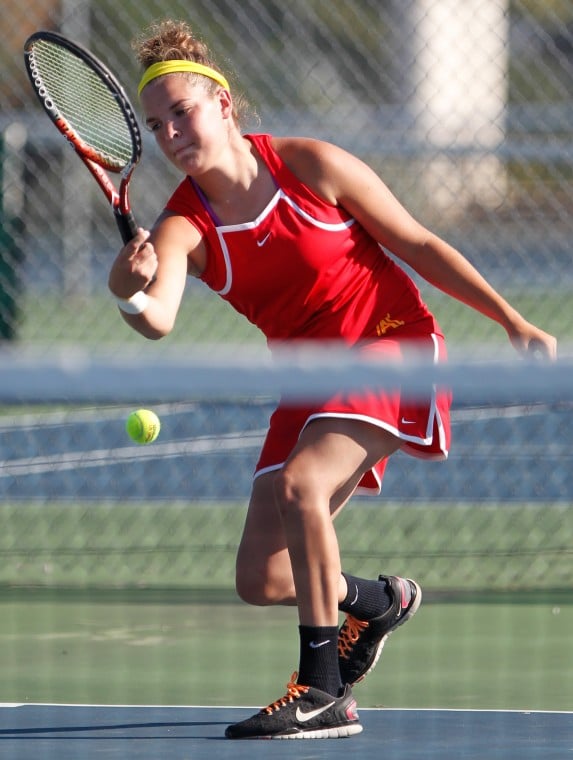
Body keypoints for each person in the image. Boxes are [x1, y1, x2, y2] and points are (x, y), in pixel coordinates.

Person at [108, 19, 557, 740]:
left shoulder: (310, 164)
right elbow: (154, 316)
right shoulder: (182, 225)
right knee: (261, 578)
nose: (169, 135)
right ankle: (378, 602)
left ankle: (320, 690)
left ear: (223, 106)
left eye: (181, 113)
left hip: (389, 345)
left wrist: (511, 320)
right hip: (310, 383)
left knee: (299, 488)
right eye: (157, 126)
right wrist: (125, 288)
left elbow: (417, 242)